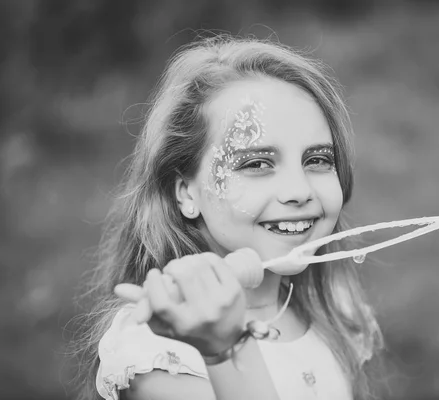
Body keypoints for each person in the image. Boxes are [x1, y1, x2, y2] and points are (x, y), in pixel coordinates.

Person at [73, 34, 383, 400]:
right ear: (187, 192)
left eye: (317, 160)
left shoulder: (332, 308)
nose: (300, 191)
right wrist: (224, 350)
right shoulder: (163, 351)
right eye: (257, 164)